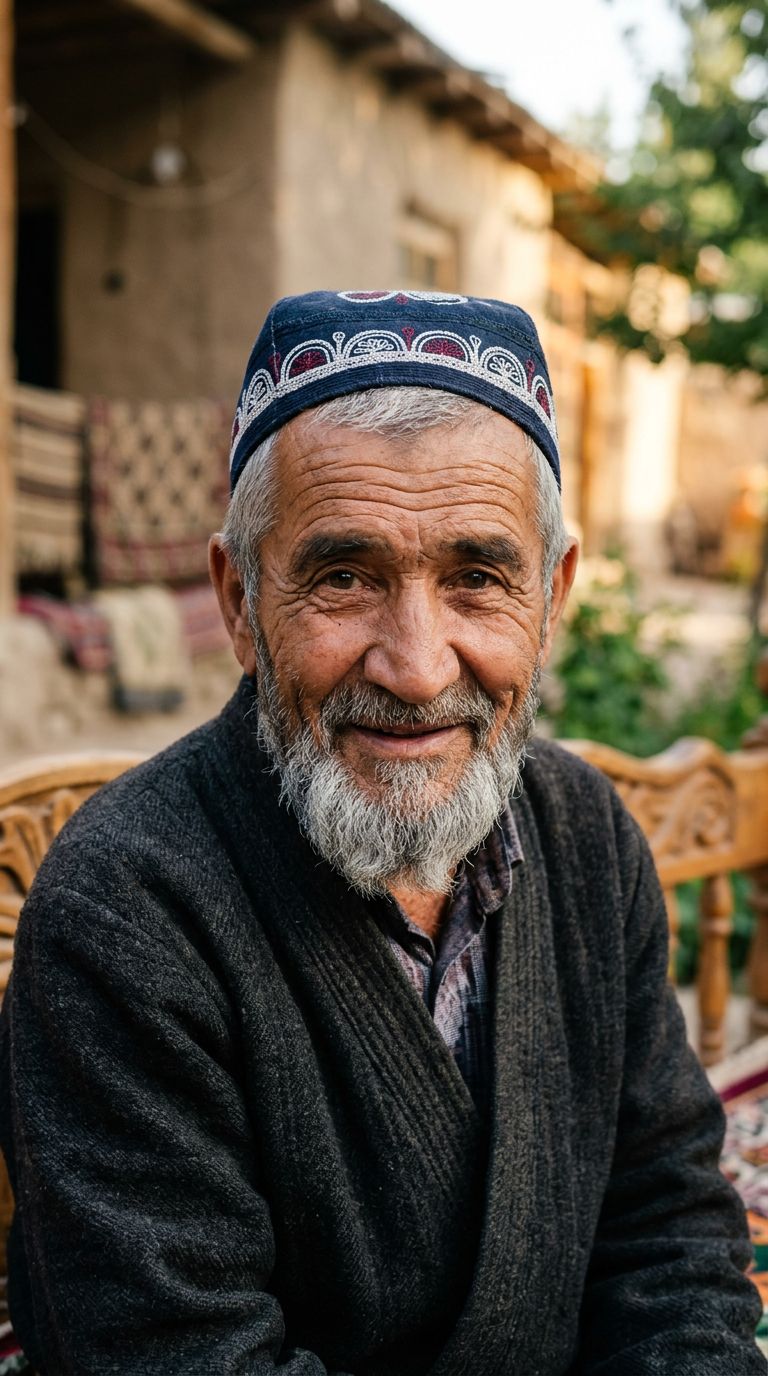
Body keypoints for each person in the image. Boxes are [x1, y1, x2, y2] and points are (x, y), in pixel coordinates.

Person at [0, 290, 763, 1375]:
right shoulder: (124, 910)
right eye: (344, 577)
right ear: (239, 602)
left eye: (478, 579)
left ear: (552, 597)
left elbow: (669, 1227)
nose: (415, 666)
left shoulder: (587, 836)